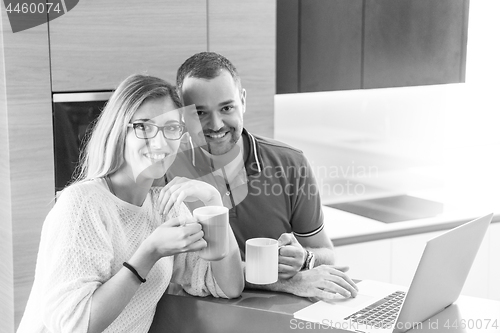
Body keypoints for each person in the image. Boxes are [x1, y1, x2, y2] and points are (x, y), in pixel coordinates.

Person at [17, 74, 244, 333]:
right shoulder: (83, 204)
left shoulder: (165, 208)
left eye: (171, 128)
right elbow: (74, 324)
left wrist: (214, 203)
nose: (160, 142)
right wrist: (149, 253)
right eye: (144, 126)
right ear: (119, 131)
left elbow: (227, 286)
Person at [168, 52, 358, 301]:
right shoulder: (166, 173)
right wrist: (285, 282)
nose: (216, 125)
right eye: (200, 113)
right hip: (193, 319)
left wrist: (305, 258)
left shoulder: (291, 163)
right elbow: (174, 270)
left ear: (243, 101)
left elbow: (326, 252)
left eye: (227, 107)